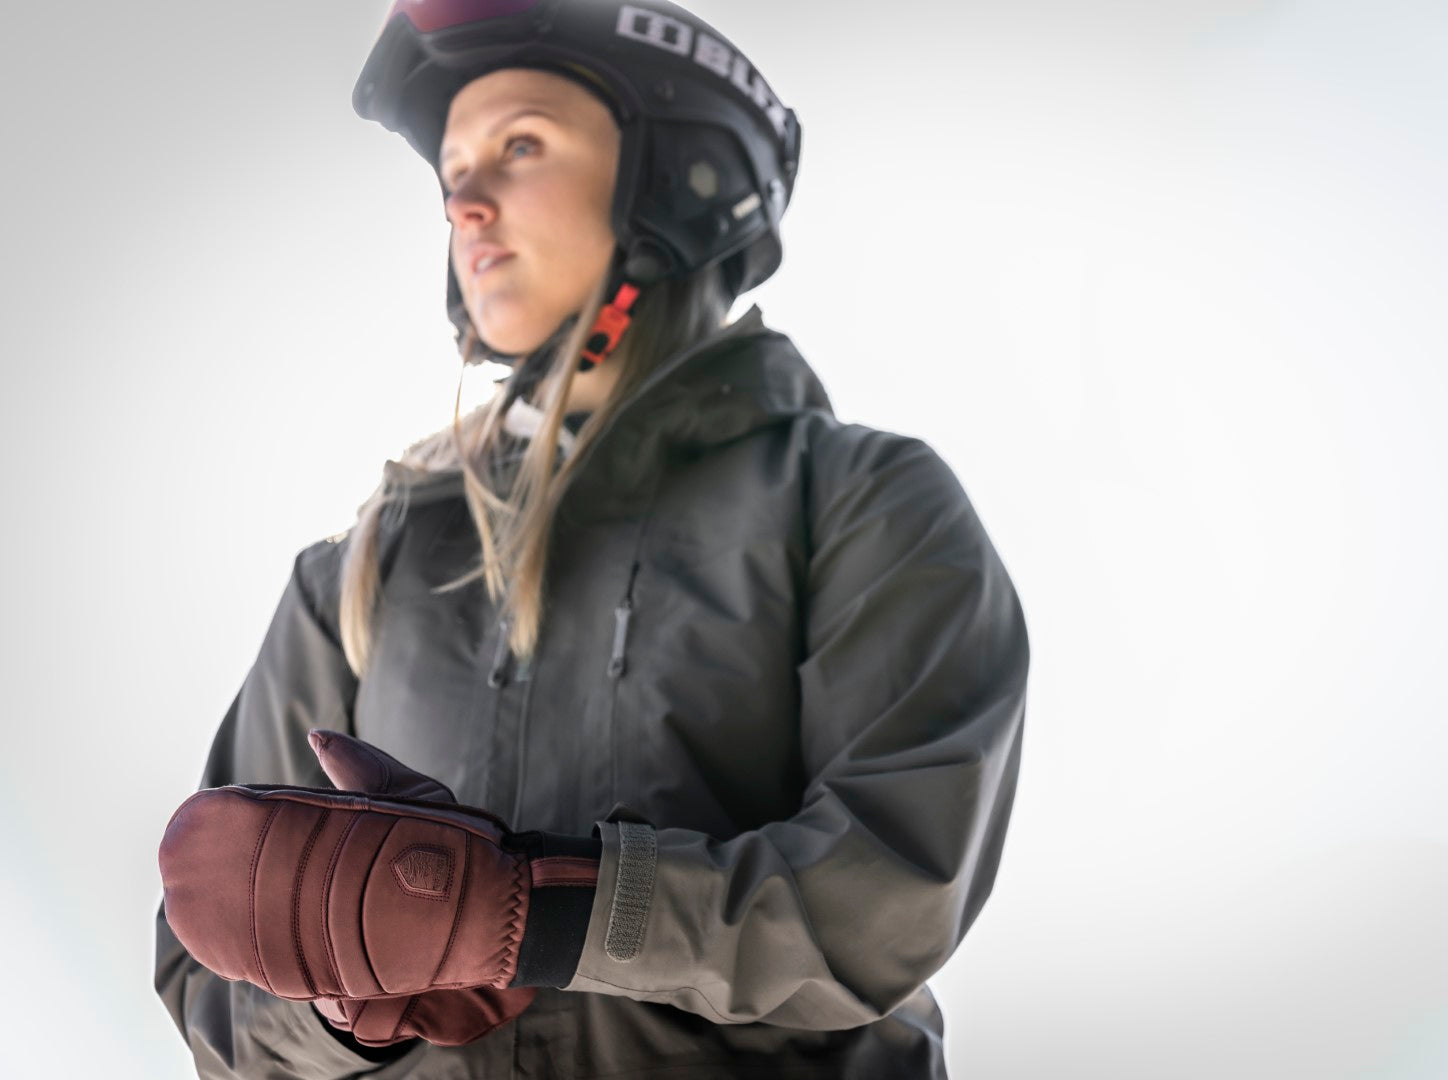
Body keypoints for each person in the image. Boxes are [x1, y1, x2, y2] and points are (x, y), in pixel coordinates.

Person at [153, 2, 1029, 1077]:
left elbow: (883, 897)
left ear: (682, 181)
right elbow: (210, 993)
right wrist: (341, 996)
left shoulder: (855, 500)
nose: (464, 203)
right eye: (452, 174)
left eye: (521, 146)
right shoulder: (365, 566)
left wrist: (541, 911)